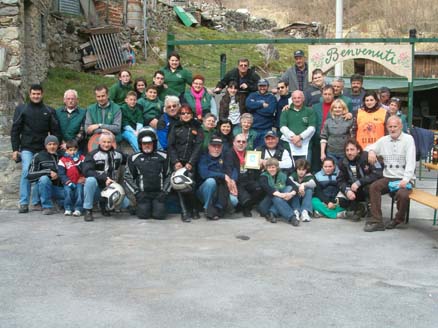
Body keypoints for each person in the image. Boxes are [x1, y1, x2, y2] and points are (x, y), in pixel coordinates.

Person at [11, 84, 61, 213]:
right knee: (26, 172)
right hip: (27, 148)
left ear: (42, 94)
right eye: (34, 94)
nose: (36, 96)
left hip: (43, 150)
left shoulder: (49, 110)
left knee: (43, 174)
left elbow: (55, 131)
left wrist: (55, 147)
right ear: (30, 94)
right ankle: (23, 203)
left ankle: (38, 202)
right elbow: (15, 130)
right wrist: (15, 149)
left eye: (38, 94)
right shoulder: (21, 109)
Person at [364, 116, 416, 232]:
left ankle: (398, 220)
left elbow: (411, 161)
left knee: (402, 195)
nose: (392, 129)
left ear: (401, 126)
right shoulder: (384, 140)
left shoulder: (408, 139)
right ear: (387, 127)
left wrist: (406, 179)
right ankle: (377, 220)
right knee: (374, 187)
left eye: (395, 126)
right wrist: (372, 151)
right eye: (390, 127)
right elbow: (368, 147)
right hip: (388, 177)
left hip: (404, 178)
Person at [167, 104, 204, 222]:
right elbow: (170, 145)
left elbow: (198, 146)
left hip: (191, 162)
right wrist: (175, 161)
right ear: (180, 115)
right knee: (179, 186)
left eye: (188, 113)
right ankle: (184, 211)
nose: (186, 115)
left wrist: (191, 162)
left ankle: (194, 208)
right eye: (183, 113)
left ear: (192, 114)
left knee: (191, 186)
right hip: (178, 162)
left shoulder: (197, 127)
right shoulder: (175, 126)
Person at [82, 132, 128, 221]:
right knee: (90, 180)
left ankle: (105, 206)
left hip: (111, 188)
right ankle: (88, 210)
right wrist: (104, 178)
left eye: (108, 142)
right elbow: (87, 171)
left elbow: (130, 160)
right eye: (104, 142)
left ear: (112, 143)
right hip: (97, 189)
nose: (106, 144)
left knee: (126, 204)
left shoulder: (118, 154)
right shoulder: (92, 154)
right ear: (99, 142)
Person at [124, 129, 168, 220]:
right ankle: (139, 208)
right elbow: (127, 177)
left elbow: (169, 175)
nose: (147, 145)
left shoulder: (164, 156)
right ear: (140, 144)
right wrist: (137, 192)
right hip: (143, 194)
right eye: (144, 143)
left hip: (159, 194)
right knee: (143, 215)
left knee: (159, 215)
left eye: (149, 143)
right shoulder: (133, 158)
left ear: (154, 143)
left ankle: (155, 207)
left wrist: (165, 192)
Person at [337, 139, 383, 221]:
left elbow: (378, 173)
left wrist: (359, 182)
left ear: (358, 150)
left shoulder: (367, 156)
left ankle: (372, 211)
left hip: (367, 186)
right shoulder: (342, 162)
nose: (349, 152)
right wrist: (347, 190)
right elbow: (340, 180)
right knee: (341, 199)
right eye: (347, 150)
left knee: (370, 187)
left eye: (352, 149)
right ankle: (358, 209)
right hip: (353, 188)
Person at [197, 136, 238, 220]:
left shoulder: (225, 156)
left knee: (234, 201)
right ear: (209, 146)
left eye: (219, 146)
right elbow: (204, 174)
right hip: (205, 190)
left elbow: (233, 169)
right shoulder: (203, 157)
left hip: (222, 188)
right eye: (214, 146)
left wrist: (233, 180)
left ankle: (217, 208)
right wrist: (223, 176)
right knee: (210, 181)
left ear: (222, 147)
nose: (216, 149)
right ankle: (207, 208)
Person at [27, 136, 64, 215]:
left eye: (54, 144)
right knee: (44, 179)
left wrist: (58, 175)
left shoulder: (63, 155)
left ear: (58, 145)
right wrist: (47, 172)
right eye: (49, 144)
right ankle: (46, 206)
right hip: (43, 187)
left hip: (57, 188)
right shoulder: (39, 156)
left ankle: (61, 203)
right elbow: (30, 175)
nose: (52, 146)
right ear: (45, 146)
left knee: (71, 196)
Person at [230, 134, 265, 217]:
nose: (241, 143)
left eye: (243, 142)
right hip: (236, 180)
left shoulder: (250, 154)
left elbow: (255, 169)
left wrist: (260, 165)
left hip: (248, 179)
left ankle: (247, 206)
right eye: (238, 141)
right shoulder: (229, 153)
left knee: (259, 188)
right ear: (234, 143)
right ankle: (245, 207)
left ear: (246, 144)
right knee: (245, 198)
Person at [258, 158, 299, 226]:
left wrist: (291, 194)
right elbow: (268, 189)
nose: (271, 169)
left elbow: (294, 186)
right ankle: (291, 217)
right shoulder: (263, 176)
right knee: (275, 196)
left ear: (277, 167)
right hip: (265, 204)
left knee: (289, 188)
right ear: (266, 168)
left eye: (273, 167)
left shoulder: (282, 175)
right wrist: (282, 195)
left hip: (279, 200)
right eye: (269, 168)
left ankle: (273, 212)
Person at [280, 90, 316, 161]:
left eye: (299, 98)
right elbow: (282, 127)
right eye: (294, 98)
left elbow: (312, 128)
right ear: (292, 99)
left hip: (306, 143)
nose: (297, 100)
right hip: (289, 144)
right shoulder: (286, 111)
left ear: (303, 99)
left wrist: (300, 137)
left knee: (306, 167)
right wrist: (294, 138)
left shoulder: (310, 111)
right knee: (291, 168)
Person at [245, 79, 277, 148]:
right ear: (257, 86)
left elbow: (270, 111)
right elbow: (248, 104)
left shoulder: (272, 97)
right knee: (252, 150)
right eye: (260, 86)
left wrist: (254, 108)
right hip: (253, 129)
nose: (262, 88)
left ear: (267, 86)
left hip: (266, 129)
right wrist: (262, 105)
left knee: (264, 150)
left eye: (264, 86)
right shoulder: (252, 95)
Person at [58, 139, 85, 217]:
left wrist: (77, 162)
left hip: (79, 181)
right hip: (68, 182)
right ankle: (68, 208)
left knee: (79, 193)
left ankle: (78, 208)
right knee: (68, 193)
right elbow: (61, 174)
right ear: (67, 150)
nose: (73, 152)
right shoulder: (62, 160)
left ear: (77, 149)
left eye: (75, 150)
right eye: (70, 150)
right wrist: (68, 182)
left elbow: (84, 169)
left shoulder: (82, 158)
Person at [320, 99, 353, 163]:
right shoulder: (328, 122)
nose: (337, 109)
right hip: (331, 152)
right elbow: (323, 138)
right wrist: (322, 153)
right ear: (332, 109)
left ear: (343, 109)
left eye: (339, 107)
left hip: (345, 152)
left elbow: (353, 136)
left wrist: (350, 115)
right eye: (335, 107)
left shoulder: (349, 120)